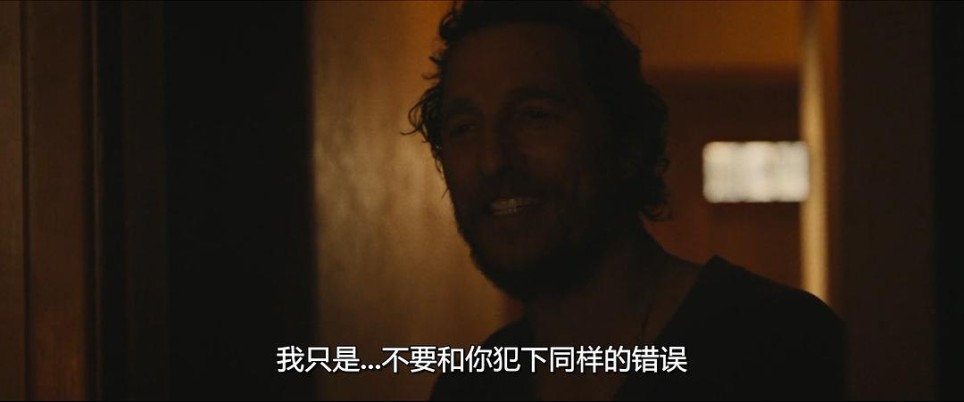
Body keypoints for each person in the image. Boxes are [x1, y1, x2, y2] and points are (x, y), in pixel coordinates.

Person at [405, 1, 844, 400]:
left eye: (534, 115)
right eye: (463, 128)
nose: (491, 159)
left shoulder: (775, 341)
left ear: (627, 143)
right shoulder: (472, 387)